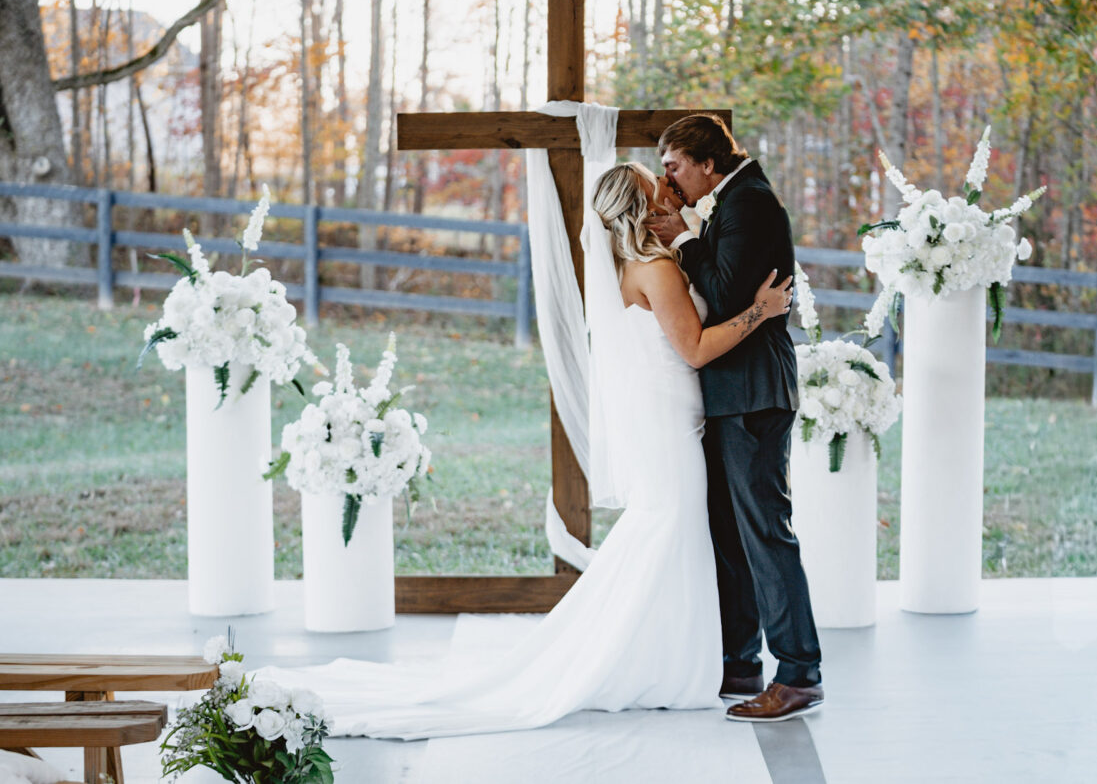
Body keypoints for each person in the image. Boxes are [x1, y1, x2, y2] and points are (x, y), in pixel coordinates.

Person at [256, 163, 793, 739]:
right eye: (655, 184)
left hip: (674, 420)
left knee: (669, 532)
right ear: (643, 207)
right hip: (671, 430)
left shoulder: (636, 266)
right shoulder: (655, 270)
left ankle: (671, 658)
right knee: (668, 530)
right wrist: (761, 310)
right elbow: (694, 349)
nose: (668, 188)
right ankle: (647, 663)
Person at [645, 113, 824, 723]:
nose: (670, 179)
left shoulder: (750, 203)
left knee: (765, 533)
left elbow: (725, 298)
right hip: (730, 394)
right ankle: (740, 661)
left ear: (707, 163)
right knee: (730, 535)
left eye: (674, 166)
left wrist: (683, 239)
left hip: (753, 392)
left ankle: (798, 674)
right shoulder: (731, 201)